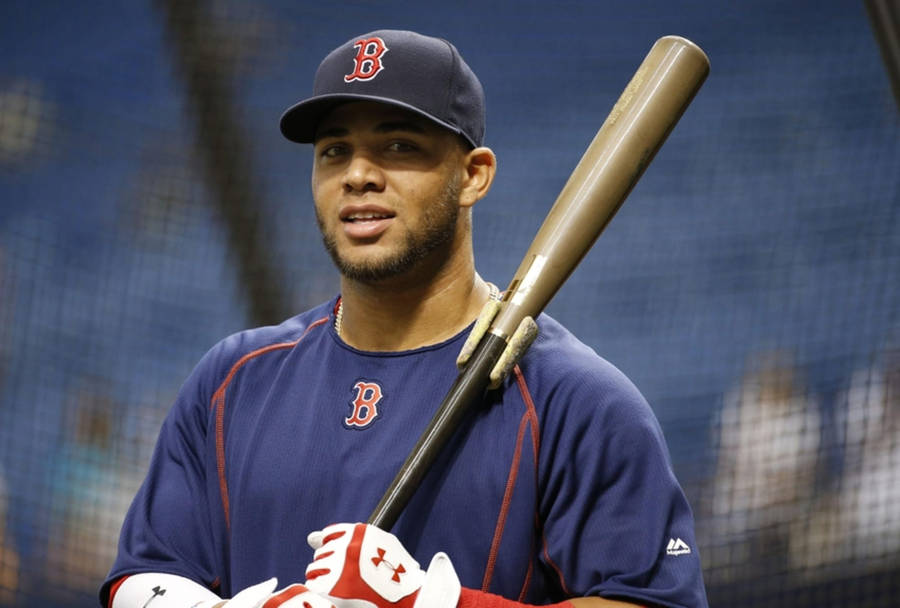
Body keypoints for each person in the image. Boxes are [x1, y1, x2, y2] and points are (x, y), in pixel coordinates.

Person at [101, 30, 707, 608]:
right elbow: (144, 574)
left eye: (398, 146)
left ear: (474, 176)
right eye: (334, 151)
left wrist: (433, 602)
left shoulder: (574, 398)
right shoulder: (233, 380)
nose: (358, 174)